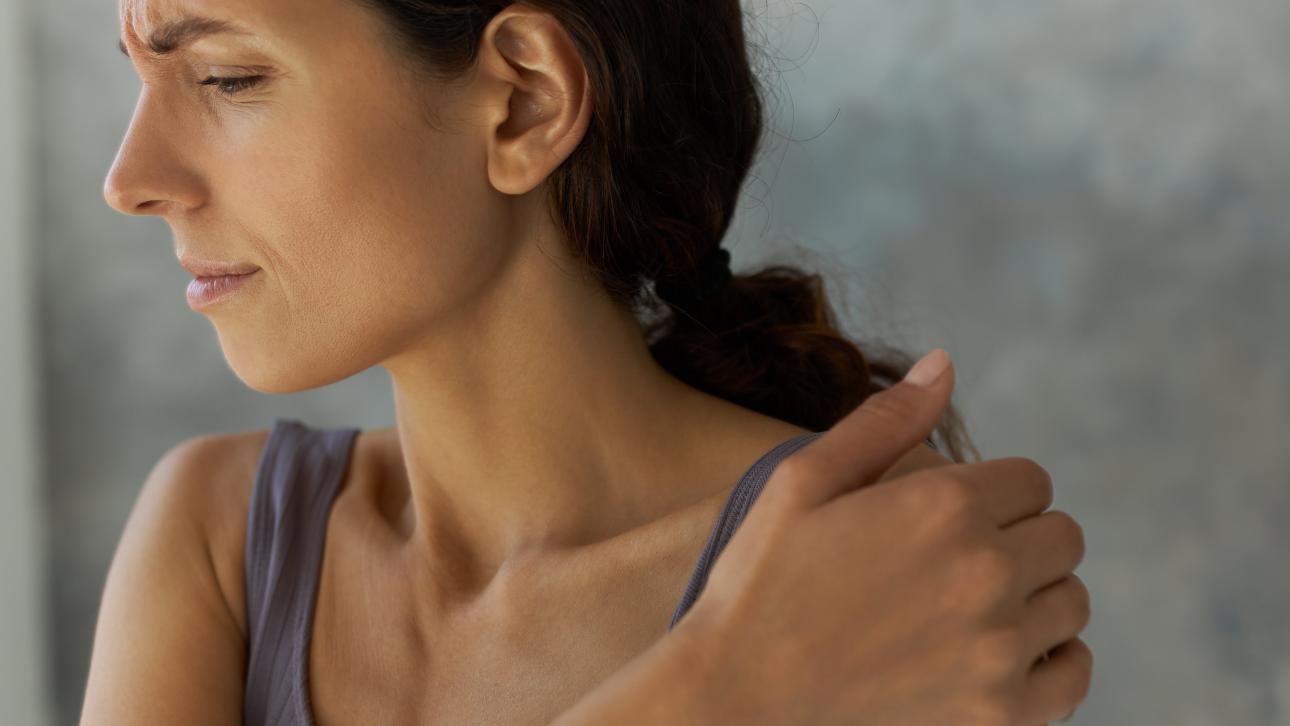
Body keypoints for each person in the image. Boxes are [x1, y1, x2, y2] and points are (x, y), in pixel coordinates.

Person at [84, 0, 1090, 723]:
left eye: (227, 78)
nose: (129, 179)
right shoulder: (221, 543)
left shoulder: (863, 559)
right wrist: (716, 695)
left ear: (524, 100)